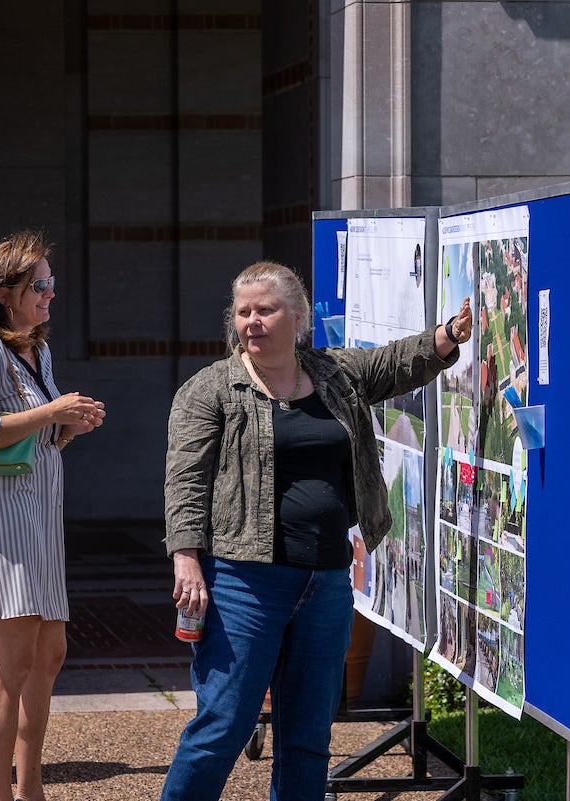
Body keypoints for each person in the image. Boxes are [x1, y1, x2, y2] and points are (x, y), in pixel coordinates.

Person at [161, 260, 473, 801]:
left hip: (326, 580)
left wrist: (446, 337)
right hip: (244, 581)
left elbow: (394, 364)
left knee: (307, 735)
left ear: (299, 317)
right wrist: (186, 558)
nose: (252, 321)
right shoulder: (210, 390)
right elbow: (186, 480)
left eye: (266, 309)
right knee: (224, 725)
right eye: (243, 312)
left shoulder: (333, 373)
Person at [0, 230, 105, 801]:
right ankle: (1, 793)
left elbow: (39, 439)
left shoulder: (35, 348)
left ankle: (30, 784)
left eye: (51, 284)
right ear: (5, 291)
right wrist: (52, 411)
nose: (48, 295)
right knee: (9, 668)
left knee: (50, 655)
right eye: (37, 285)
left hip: (38, 522)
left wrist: (70, 425)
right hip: (1, 528)